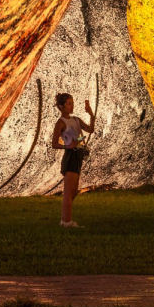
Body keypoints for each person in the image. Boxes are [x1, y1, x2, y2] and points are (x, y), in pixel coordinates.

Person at [51, 92, 94, 228]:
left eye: (72, 103)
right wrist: (67, 146)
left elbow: (90, 130)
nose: (72, 105)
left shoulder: (76, 120)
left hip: (78, 155)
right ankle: (66, 222)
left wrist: (91, 115)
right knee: (69, 192)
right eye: (69, 103)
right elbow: (54, 143)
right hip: (70, 156)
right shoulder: (61, 123)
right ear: (61, 106)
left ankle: (65, 220)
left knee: (73, 191)